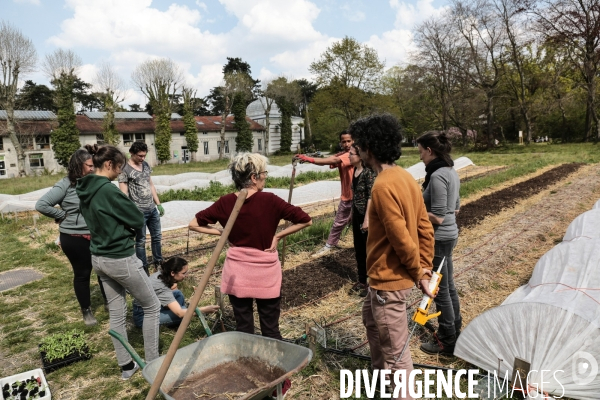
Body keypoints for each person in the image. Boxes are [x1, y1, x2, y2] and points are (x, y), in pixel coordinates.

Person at [189, 153, 312, 397]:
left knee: (244, 328)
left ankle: (250, 377)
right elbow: (305, 220)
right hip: (265, 272)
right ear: (254, 177)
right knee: (271, 329)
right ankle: (278, 383)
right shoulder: (270, 201)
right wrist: (277, 236)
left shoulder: (226, 202)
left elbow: (193, 223)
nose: (265, 179)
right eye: (264, 175)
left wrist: (221, 233)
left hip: (238, 274)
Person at [349, 114, 435, 400]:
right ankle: (381, 381)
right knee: (371, 321)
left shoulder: (383, 185)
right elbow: (424, 228)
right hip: (382, 282)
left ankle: (400, 391)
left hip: (388, 282)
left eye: (359, 145)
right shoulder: (406, 177)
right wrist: (425, 266)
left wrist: (421, 273)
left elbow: (401, 239)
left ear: (369, 148)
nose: (356, 150)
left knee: (397, 353)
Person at [77, 144, 160, 380]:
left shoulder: (84, 188)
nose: (120, 171)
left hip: (99, 258)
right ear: (108, 165)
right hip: (120, 257)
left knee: (117, 312)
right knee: (152, 306)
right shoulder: (108, 190)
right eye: (119, 166)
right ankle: (154, 365)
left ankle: (126, 367)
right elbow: (135, 217)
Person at [35, 149, 107, 326]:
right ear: (78, 165)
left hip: (97, 234)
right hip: (74, 237)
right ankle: (87, 311)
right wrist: (61, 215)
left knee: (103, 270)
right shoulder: (66, 184)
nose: (92, 169)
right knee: (82, 274)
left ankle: (109, 302)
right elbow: (41, 204)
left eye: (93, 166)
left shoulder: (95, 181)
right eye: (89, 166)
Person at [416, 131, 462, 355]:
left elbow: (439, 216)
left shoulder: (436, 176)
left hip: (439, 237)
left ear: (430, 151)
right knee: (449, 286)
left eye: (421, 152)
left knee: (439, 289)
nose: (420, 157)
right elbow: (456, 207)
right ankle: (455, 328)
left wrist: (414, 211)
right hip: (449, 235)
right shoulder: (450, 171)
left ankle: (446, 338)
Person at [295, 131, 354, 257]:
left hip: (358, 197)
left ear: (354, 141)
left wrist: (309, 159)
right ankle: (329, 245)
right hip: (347, 195)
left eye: (349, 141)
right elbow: (330, 159)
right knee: (339, 222)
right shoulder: (343, 154)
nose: (346, 144)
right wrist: (308, 157)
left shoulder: (352, 155)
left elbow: (333, 159)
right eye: (344, 141)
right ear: (340, 143)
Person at [132, 257, 219, 328]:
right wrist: (204, 310)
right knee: (183, 317)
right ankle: (179, 315)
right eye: (183, 273)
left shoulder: (163, 273)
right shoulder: (161, 287)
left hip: (152, 306)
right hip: (144, 317)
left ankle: (179, 313)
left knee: (178, 294)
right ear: (173, 273)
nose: (186, 275)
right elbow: (180, 313)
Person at [118, 142, 164, 275]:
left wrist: (158, 203)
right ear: (132, 153)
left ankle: (158, 263)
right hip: (139, 212)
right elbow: (123, 193)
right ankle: (143, 268)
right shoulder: (124, 169)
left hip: (152, 209)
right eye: (140, 156)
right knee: (140, 241)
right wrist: (128, 211)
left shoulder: (145, 165)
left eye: (144, 155)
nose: (142, 158)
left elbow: (150, 184)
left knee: (157, 237)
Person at [348, 145, 375, 297]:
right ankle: (362, 280)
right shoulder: (355, 171)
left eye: (351, 154)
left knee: (368, 250)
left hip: (366, 216)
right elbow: (356, 196)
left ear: (359, 156)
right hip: (357, 214)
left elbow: (371, 196)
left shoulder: (368, 173)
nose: (349, 157)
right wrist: (352, 213)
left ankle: (371, 283)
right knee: (358, 249)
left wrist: (367, 219)